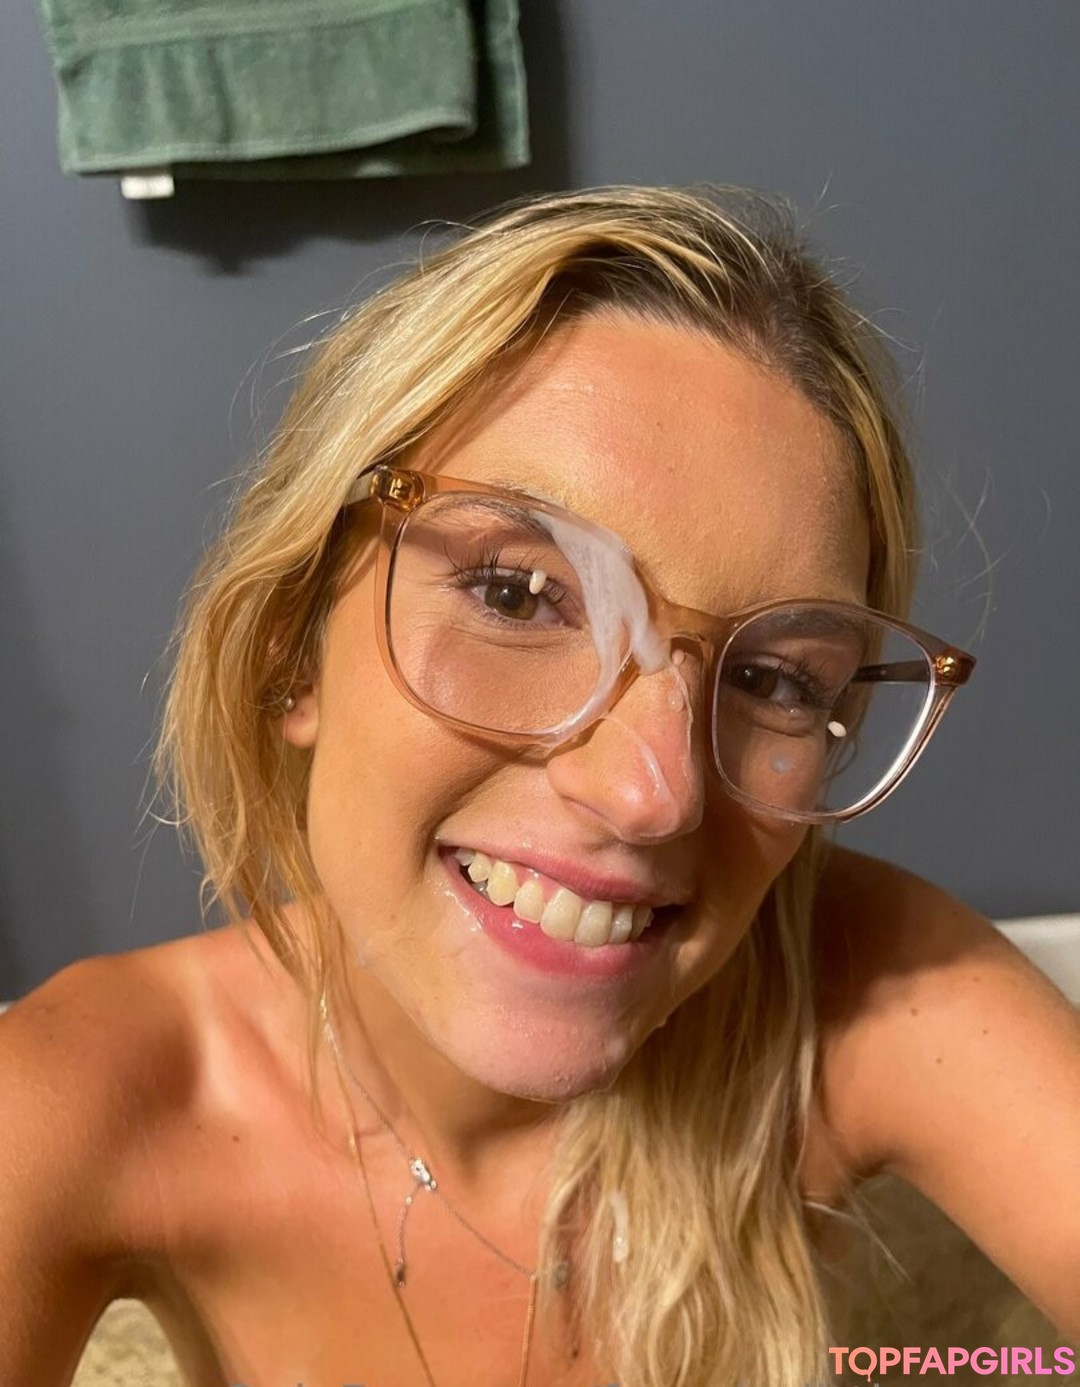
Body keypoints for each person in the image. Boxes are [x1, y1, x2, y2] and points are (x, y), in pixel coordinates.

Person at [1, 186, 1077, 1387]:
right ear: (290, 648)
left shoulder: (862, 990)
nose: (653, 794)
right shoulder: (85, 1095)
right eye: (518, 596)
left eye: (774, 677)